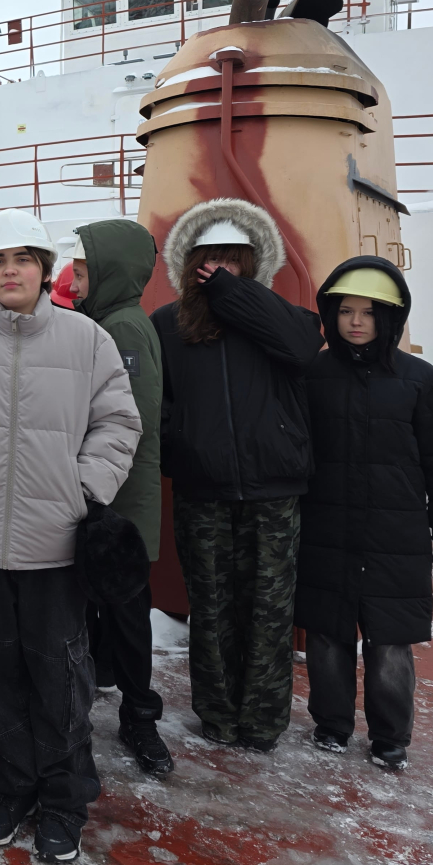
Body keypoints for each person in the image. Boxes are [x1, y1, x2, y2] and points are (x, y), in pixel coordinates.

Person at [0, 209, 140, 865]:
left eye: (23, 259)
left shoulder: (87, 340)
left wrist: (84, 488)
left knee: (60, 676)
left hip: (56, 545)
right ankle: (13, 785)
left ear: (45, 270)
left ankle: (63, 799)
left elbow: (118, 422)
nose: (10, 271)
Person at [151, 198, 322, 751]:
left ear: (252, 263)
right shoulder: (168, 325)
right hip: (203, 491)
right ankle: (218, 716)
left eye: (232, 258)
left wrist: (235, 295)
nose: (220, 268)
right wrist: (184, 446)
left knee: (269, 614)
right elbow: (158, 403)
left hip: (273, 492)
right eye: (210, 258)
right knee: (212, 609)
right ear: (189, 263)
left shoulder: (282, 319)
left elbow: (304, 349)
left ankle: (264, 721)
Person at [297, 257, 433, 770]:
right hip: (326, 528)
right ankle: (331, 724)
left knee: (390, 640)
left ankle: (390, 736)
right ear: (330, 313)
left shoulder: (422, 381)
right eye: (345, 311)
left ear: (391, 317)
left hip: (394, 533)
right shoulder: (312, 375)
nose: (356, 322)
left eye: (370, 312)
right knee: (327, 634)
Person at [70, 221, 173, 777]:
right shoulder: (107, 321)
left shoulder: (123, 328)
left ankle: (140, 714)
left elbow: (132, 419)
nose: (74, 281)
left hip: (120, 500)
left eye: (83, 271)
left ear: (111, 271)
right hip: (108, 494)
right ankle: (104, 689)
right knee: (105, 606)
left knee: (128, 609)